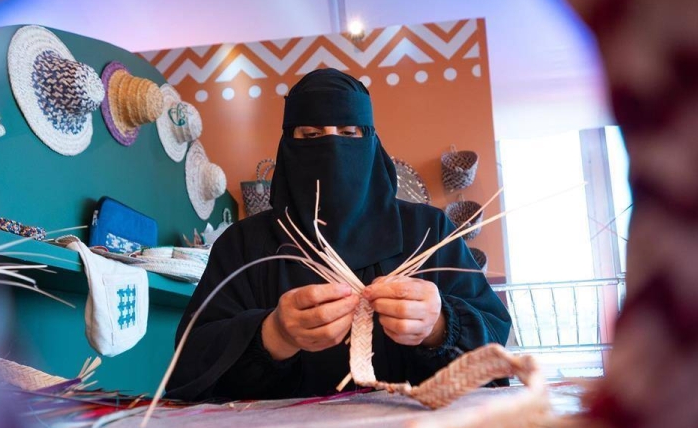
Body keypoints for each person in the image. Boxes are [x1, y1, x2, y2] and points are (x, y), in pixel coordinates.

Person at [165, 68, 511, 401]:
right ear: (288, 146)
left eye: (348, 133)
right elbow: (189, 364)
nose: (332, 148)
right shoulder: (244, 245)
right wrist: (273, 334)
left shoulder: (429, 232)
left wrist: (439, 326)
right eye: (311, 136)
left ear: (370, 141)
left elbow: (494, 344)